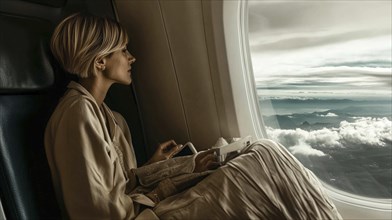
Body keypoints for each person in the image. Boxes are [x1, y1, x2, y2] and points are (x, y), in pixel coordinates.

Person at [45, 13, 342, 220]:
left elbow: (121, 184)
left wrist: (169, 166)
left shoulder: (111, 117)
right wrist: (171, 185)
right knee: (264, 158)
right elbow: (103, 213)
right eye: (123, 50)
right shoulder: (77, 115)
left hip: (143, 210)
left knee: (257, 152)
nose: (132, 57)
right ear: (99, 61)